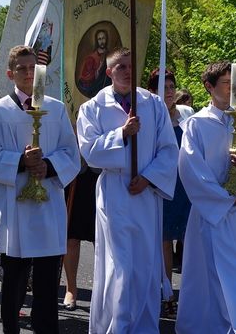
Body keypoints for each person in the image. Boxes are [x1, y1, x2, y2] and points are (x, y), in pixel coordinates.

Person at [0, 45, 80, 334]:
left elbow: (71, 153)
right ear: (10, 73)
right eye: (21, 68)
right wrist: (20, 162)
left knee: (48, 283)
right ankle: (11, 328)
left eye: (32, 67)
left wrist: (48, 165)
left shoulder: (56, 109)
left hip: (48, 205)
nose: (27, 72)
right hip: (15, 209)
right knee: (14, 280)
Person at [76, 48, 178, 333]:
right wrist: (120, 134)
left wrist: (149, 178)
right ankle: (117, 325)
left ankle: (144, 325)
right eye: (120, 66)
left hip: (145, 194)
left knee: (146, 262)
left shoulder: (154, 105)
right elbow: (90, 151)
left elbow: (169, 150)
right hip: (115, 193)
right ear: (108, 72)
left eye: (131, 66)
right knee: (121, 264)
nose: (127, 71)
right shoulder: (92, 108)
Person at [175, 61, 236, 333]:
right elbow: (191, 169)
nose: (234, 90)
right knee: (208, 274)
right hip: (210, 214)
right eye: (228, 85)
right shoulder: (196, 125)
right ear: (209, 87)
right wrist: (223, 198)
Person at [147, 68, 192, 317]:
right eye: (163, 87)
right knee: (164, 240)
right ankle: (167, 293)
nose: (170, 91)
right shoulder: (151, 114)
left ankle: (192, 292)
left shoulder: (185, 114)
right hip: (162, 183)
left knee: (189, 238)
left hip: (184, 183)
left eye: (172, 86)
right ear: (152, 90)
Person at [62, 161, 98, 311]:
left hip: (101, 176)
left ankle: (101, 289)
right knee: (71, 237)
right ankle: (71, 289)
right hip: (74, 176)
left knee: (101, 240)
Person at [77, 29, 111, 98]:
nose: (102, 41)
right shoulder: (91, 58)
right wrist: (97, 72)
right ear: (97, 41)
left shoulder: (111, 55)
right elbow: (85, 77)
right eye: (99, 39)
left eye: (103, 38)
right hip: (94, 88)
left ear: (106, 39)